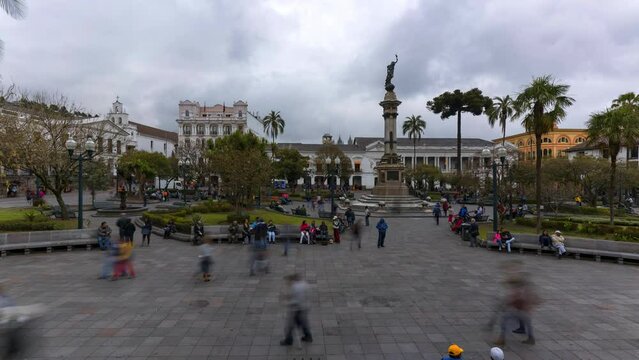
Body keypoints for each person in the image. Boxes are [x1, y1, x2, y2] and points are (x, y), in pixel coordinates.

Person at [495, 273, 539, 346]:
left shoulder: (520, 290)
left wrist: (507, 305)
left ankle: (502, 339)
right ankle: (531, 338)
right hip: (526, 311)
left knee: (504, 320)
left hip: (520, 311)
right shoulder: (527, 289)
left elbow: (517, 300)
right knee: (528, 324)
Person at [280, 273, 313, 346]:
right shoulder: (305, 284)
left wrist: (287, 302)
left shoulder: (295, 287)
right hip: (305, 308)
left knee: (289, 326)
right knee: (304, 323)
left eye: (287, 281)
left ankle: (288, 340)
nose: (287, 283)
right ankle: (308, 336)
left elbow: (296, 300)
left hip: (296, 309)